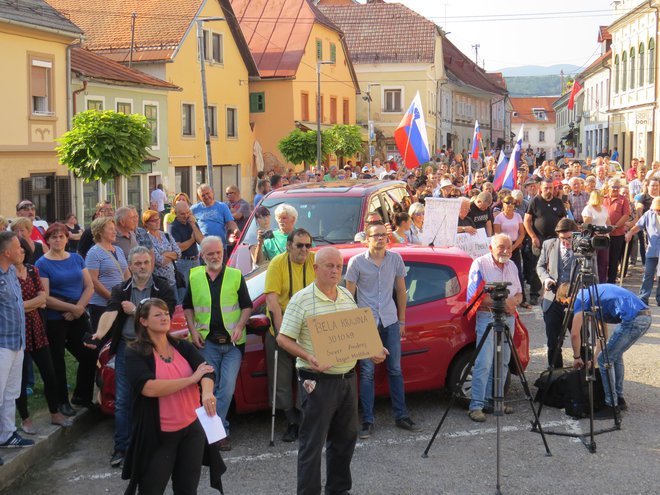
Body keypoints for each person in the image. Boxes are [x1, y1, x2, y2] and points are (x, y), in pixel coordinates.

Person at [276, 247, 386, 495]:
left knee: (345, 440)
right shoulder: (301, 299)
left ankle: (338, 489)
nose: (335, 270)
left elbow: (355, 336)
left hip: (347, 379)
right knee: (312, 444)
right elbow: (283, 339)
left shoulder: (346, 295)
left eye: (338, 266)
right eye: (329, 266)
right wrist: (309, 356)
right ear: (316, 268)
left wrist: (374, 350)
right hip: (317, 381)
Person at [90, 246, 176, 468]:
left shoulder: (162, 286)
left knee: (157, 399)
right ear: (130, 266)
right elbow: (110, 312)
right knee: (123, 402)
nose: (142, 267)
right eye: (137, 263)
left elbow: (164, 314)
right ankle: (122, 448)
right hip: (127, 351)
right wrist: (99, 333)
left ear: (152, 263)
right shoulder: (120, 289)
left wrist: (136, 309)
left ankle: (157, 446)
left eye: (146, 262)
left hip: (153, 349)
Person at [121, 298, 218, 495]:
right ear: (143, 321)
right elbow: (148, 388)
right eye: (158, 314)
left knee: (187, 490)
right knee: (150, 490)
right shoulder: (135, 352)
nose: (165, 317)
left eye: (166, 313)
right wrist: (191, 380)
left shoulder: (182, 346)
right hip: (159, 435)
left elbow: (207, 371)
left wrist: (207, 393)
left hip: (192, 431)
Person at [345, 221, 420, 438]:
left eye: (382, 235)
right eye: (375, 235)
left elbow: (401, 291)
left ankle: (401, 415)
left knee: (395, 369)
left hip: (390, 320)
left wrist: (402, 320)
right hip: (366, 322)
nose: (380, 238)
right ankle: (367, 420)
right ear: (367, 238)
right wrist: (353, 325)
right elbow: (349, 296)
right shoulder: (356, 262)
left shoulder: (395, 259)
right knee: (367, 373)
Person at [183, 236, 253, 451]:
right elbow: (187, 306)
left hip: (233, 344)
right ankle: (217, 433)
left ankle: (217, 430)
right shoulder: (194, 276)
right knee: (210, 388)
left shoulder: (235, 275)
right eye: (210, 254)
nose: (214, 257)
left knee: (227, 388)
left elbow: (247, 306)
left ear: (223, 253)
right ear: (202, 256)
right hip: (207, 343)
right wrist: (193, 330)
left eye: (218, 253)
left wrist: (240, 325)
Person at [565, 283, 650, 417]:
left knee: (605, 359)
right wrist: (592, 360)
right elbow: (603, 336)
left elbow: (575, 333)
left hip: (633, 319)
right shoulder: (594, 297)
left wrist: (577, 357)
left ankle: (611, 405)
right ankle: (619, 399)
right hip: (644, 316)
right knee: (614, 355)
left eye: (566, 304)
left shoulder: (580, 299)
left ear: (569, 298)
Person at [36, 224, 96, 415]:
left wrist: (79, 308)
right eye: (53, 237)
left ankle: (82, 396)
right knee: (57, 360)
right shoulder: (42, 264)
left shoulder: (77, 258)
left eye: (61, 236)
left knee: (90, 353)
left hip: (78, 313)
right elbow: (45, 297)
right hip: (56, 318)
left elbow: (89, 286)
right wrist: (72, 308)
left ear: (67, 238)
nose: (58, 240)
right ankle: (62, 401)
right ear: (47, 240)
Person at [15, 238, 72, 435]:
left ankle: (55, 412)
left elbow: (43, 299)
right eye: (17, 250)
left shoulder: (32, 270)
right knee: (20, 378)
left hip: (37, 328)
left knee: (49, 372)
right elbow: (14, 306)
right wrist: (33, 303)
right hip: (17, 331)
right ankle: (25, 418)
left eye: (23, 250)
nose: (20, 253)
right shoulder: (5, 274)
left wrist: (25, 305)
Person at [264, 229, 315, 442]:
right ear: (288, 245)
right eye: (299, 245)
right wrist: (281, 333)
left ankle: (307, 419)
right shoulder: (277, 263)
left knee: (307, 377)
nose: (304, 250)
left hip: (308, 327)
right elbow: (272, 300)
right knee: (281, 381)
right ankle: (292, 421)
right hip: (283, 324)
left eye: (307, 245)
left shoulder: (315, 260)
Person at [466, 234, 522, 422]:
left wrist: (512, 302)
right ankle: (476, 406)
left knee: (503, 361)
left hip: (508, 319)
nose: (505, 251)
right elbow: (475, 296)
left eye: (509, 247)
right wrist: (503, 304)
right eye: (501, 247)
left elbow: (520, 294)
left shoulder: (512, 266)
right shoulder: (480, 264)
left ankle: (495, 400)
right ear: (491, 248)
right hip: (487, 316)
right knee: (484, 362)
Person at [0, 232, 35, 455]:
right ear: (6, 252)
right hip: (1, 344)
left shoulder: (12, 270)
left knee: (10, 393)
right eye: (17, 246)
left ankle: (7, 434)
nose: (21, 250)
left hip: (16, 342)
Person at [536, 218, 579, 368]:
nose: (566, 241)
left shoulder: (583, 248)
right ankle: (555, 376)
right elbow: (540, 266)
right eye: (562, 238)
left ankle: (580, 377)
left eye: (569, 237)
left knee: (581, 340)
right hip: (552, 299)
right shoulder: (549, 244)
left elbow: (593, 273)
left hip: (575, 300)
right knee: (553, 343)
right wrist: (545, 279)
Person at [524, 179, 567, 305]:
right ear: (540, 188)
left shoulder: (558, 202)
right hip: (539, 239)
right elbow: (526, 221)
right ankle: (534, 293)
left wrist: (561, 237)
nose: (549, 190)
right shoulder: (535, 201)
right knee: (537, 266)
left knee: (554, 266)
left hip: (554, 240)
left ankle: (553, 293)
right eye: (546, 188)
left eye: (551, 188)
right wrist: (533, 236)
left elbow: (563, 220)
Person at [85, 217, 131, 330]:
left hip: (121, 302)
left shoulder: (118, 250)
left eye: (114, 229)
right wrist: (113, 298)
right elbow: (93, 281)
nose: (115, 231)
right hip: (102, 305)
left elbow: (126, 274)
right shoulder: (94, 252)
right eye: (110, 229)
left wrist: (129, 293)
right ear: (100, 231)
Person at [494, 195, 527, 308]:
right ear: (503, 204)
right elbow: (497, 235)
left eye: (512, 203)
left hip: (515, 246)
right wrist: (506, 248)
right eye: (507, 203)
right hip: (503, 247)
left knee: (517, 271)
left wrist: (513, 247)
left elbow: (522, 233)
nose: (510, 205)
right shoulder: (499, 218)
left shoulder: (517, 216)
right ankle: (501, 298)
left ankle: (522, 298)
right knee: (502, 271)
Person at [625, 196, 660, 304]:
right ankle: (643, 298)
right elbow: (638, 226)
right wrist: (630, 233)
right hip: (652, 250)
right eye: (656, 209)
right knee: (648, 274)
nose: (657, 211)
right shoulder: (649, 214)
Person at [168, 201, 204, 301]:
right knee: (184, 294)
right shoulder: (173, 227)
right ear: (176, 213)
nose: (186, 216)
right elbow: (179, 247)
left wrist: (193, 224)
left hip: (195, 261)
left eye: (188, 212)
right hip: (183, 262)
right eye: (182, 214)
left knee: (197, 292)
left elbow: (202, 241)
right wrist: (192, 239)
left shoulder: (192, 222)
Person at [143, 210, 181, 298]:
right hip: (158, 283)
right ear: (146, 223)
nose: (157, 222)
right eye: (153, 221)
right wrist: (172, 255)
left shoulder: (166, 235)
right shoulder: (146, 239)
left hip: (172, 280)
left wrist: (165, 254)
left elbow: (178, 253)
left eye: (158, 219)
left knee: (176, 309)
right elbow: (159, 261)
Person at [190, 184, 239, 249]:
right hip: (203, 248)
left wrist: (235, 230)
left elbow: (230, 222)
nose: (206, 197)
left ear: (212, 192)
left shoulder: (222, 206)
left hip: (220, 247)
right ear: (199, 197)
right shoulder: (194, 209)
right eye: (203, 195)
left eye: (207, 193)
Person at [603, 178, 631, 283]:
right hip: (603, 234)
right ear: (609, 187)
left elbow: (626, 215)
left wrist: (615, 226)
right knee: (603, 260)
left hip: (617, 234)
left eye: (617, 187)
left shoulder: (623, 200)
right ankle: (602, 281)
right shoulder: (603, 198)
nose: (615, 189)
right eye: (613, 187)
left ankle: (611, 282)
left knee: (614, 260)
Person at [582, 190, 610, 283]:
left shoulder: (604, 208)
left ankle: (603, 282)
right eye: (601, 196)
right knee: (594, 262)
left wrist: (608, 229)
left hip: (604, 237)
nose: (603, 198)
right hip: (593, 238)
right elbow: (587, 225)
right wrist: (595, 232)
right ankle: (593, 282)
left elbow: (608, 222)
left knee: (604, 262)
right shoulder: (588, 209)